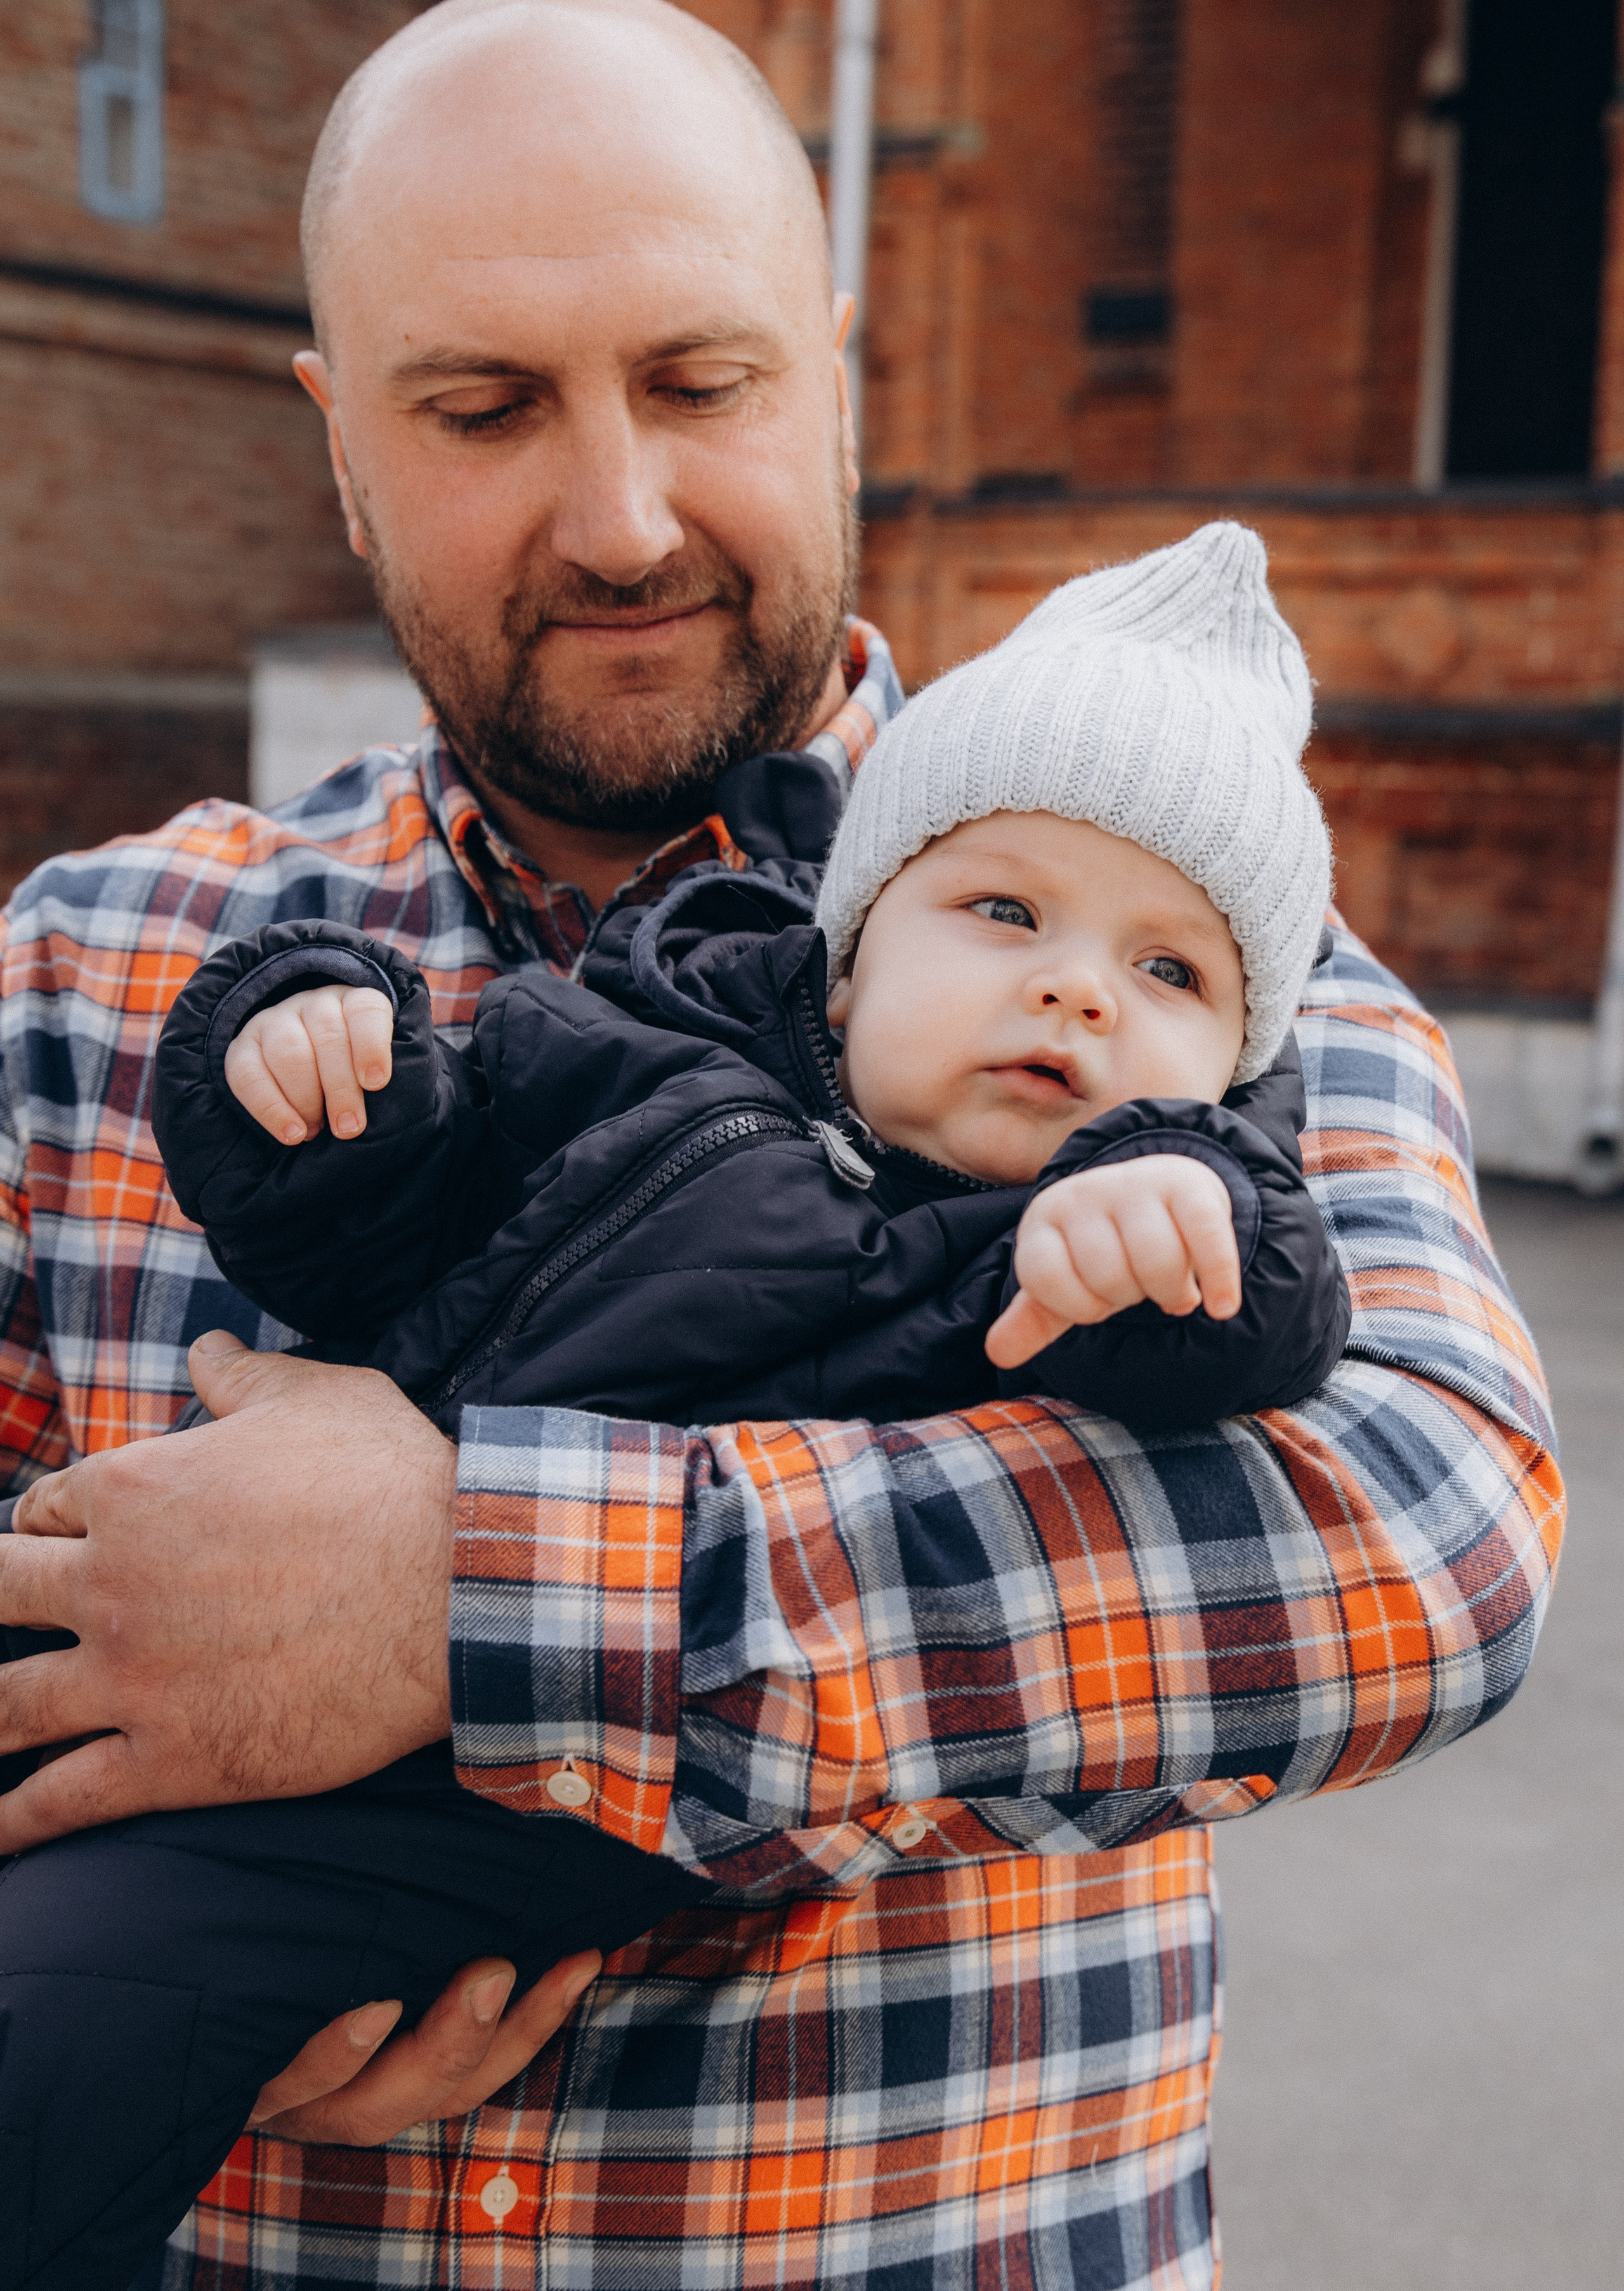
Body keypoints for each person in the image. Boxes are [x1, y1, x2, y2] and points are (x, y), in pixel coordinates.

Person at [0, 0, 1559, 2291]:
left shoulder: (1184, 974)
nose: (620, 514)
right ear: (339, 441)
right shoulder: (93, 972)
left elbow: (1420, 1539)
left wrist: (468, 1590)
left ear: (838, 374)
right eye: (484, 406)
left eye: (703, 381)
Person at [1, 522, 1353, 2290]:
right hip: (181, 1633)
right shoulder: (638, 1037)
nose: (1079, 985)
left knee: (68, 2009)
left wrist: (1192, 1230)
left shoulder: (1055, 1267)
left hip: (486, 1805)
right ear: (854, 953)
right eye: (1004, 909)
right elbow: (386, 1223)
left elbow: (1296, 1396)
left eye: (1173, 975)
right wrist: (312, 1056)